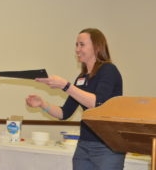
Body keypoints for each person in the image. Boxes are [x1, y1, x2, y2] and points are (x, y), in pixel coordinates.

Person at [26, 28, 125, 170]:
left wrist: (66, 86)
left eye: (82, 44)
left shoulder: (108, 70)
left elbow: (98, 104)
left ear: (97, 47)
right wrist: (42, 104)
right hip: (84, 144)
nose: (77, 49)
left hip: (107, 147)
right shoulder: (81, 78)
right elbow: (64, 113)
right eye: (76, 45)